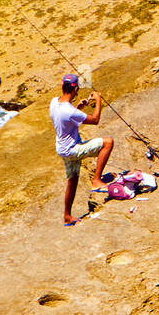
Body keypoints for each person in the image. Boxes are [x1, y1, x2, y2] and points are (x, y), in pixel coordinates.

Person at [49, 73, 114, 224]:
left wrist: (79, 108)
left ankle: (67, 216)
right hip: (72, 149)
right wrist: (98, 100)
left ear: (62, 87)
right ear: (75, 88)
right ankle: (97, 181)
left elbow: (67, 121)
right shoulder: (70, 111)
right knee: (107, 143)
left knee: (72, 181)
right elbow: (95, 120)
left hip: (62, 149)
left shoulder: (53, 102)